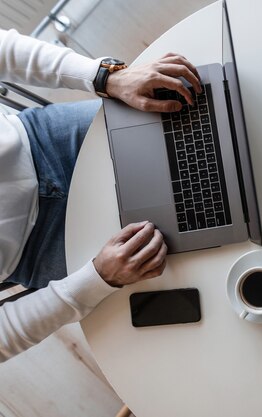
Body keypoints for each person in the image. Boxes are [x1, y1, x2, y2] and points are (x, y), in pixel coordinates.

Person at [0, 28, 202, 362]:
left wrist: (105, 77)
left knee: (197, 120)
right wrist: (98, 279)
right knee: (199, 254)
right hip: (44, 250)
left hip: (44, 141)